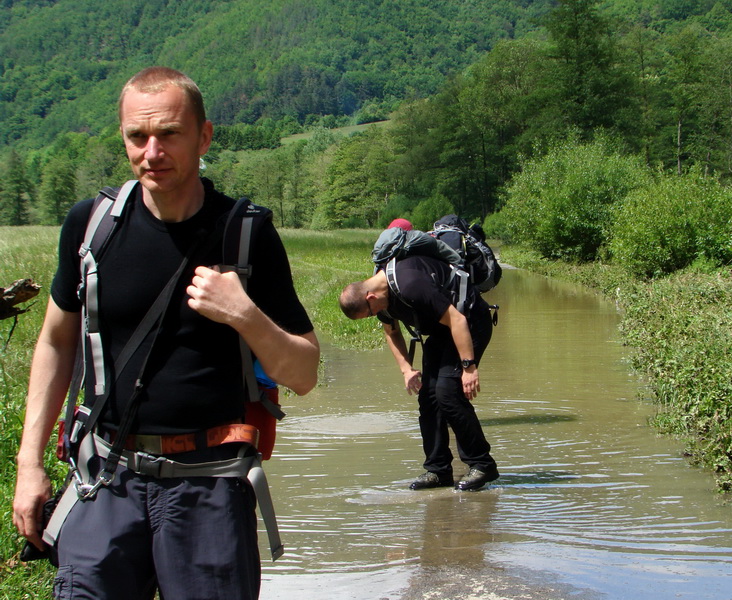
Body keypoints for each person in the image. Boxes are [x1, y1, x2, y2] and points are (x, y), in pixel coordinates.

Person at [12, 66, 320, 600]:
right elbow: (57, 342)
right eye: (138, 136)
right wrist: (28, 464)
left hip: (209, 483)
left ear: (203, 137)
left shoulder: (246, 235)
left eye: (170, 134)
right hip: (105, 477)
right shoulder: (92, 227)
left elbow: (304, 373)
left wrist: (243, 314)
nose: (152, 151)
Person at [339, 255, 498, 492]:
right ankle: (438, 470)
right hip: (443, 331)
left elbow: (458, 319)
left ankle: (482, 465)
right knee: (429, 398)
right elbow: (391, 333)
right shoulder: (380, 295)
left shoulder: (411, 284)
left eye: (371, 313)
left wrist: (468, 367)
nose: (376, 315)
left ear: (370, 297)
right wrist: (406, 369)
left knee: (448, 393)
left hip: (470, 321)